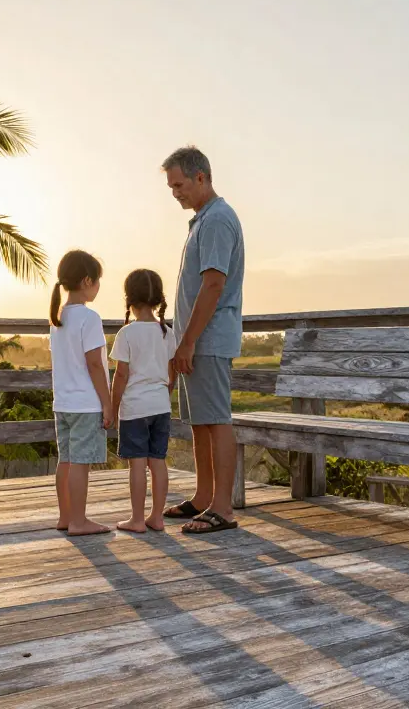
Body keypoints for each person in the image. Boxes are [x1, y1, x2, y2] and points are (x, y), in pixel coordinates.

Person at [160, 146, 246, 534]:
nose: (174, 192)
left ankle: (223, 509)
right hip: (196, 339)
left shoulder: (216, 221)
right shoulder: (202, 220)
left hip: (207, 339)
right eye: (170, 186)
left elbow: (213, 285)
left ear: (201, 177)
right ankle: (203, 497)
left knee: (216, 420)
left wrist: (188, 341)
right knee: (199, 422)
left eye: (178, 184)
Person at [49, 249, 114, 536]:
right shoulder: (90, 318)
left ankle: (66, 517)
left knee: (66, 459)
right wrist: (108, 403)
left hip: (62, 403)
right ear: (87, 281)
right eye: (98, 281)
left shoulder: (58, 317)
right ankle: (79, 521)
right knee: (81, 464)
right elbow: (95, 365)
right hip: (85, 404)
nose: (99, 287)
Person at [109, 269, 178, 533]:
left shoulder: (127, 334)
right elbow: (172, 374)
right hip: (161, 407)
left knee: (137, 464)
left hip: (135, 409)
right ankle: (156, 517)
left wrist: (113, 410)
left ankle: (137, 519)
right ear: (158, 299)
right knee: (157, 461)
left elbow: (121, 376)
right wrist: (163, 395)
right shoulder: (166, 333)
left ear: (129, 299)